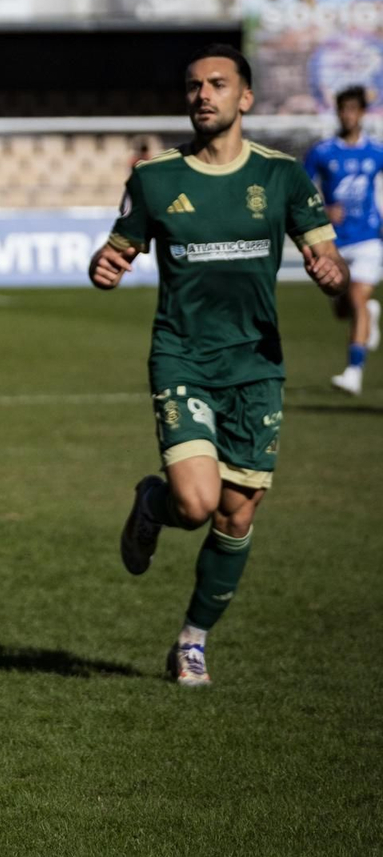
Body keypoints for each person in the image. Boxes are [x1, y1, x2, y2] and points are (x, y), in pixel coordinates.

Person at [89, 44, 346, 686]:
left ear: (245, 98)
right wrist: (106, 265)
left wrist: (329, 271)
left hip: (257, 365)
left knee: (238, 513)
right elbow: (116, 252)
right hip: (184, 356)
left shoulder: (283, 176)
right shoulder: (154, 179)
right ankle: (156, 501)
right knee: (198, 502)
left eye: (218, 84)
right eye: (194, 85)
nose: (203, 94)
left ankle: (192, 642)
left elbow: (329, 261)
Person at [303, 85, 383, 395]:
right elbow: (302, 190)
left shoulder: (376, 152)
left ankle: (354, 370)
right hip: (334, 242)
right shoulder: (322, 152)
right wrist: (323, 209)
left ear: (362, 113)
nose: (348, 115)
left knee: (358, 299)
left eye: (353, 109)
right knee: (342, 308)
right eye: (343, 109)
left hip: (368, 239)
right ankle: (369, 313)